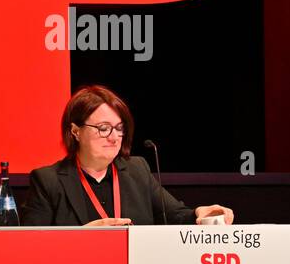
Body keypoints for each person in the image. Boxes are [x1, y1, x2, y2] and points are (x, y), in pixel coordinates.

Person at [21, 85, 235, 226]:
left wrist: (201, 213)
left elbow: (174, 214)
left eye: (119, 128)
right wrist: (82, 236)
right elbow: (32, 246)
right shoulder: (48, 181)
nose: (114, 137)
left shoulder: (136, 170)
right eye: (103, 128)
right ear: (75, 131)